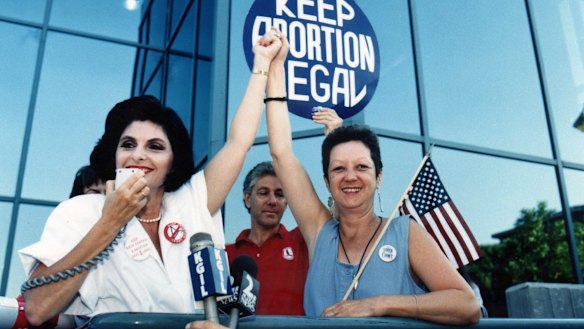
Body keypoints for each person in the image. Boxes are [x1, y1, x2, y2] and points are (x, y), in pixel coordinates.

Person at [18, 28, 284, 327]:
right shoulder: (79, 212)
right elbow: (37, 309)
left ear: (173, 163)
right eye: (128, 144)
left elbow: (239, 142)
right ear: (114, 155)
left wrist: (262, 63)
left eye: (155, 147)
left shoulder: (192, 200)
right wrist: (110, 222)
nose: (139, 155)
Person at [264, 32, 481, 325]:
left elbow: (467, 304)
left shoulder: (405, 233)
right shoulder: (319, 232)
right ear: (327, 182)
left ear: (378, 178)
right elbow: (281, 152)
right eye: (338, 169)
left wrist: (379, 305)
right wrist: (275, 66)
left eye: (362, 167)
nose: (350, 176)